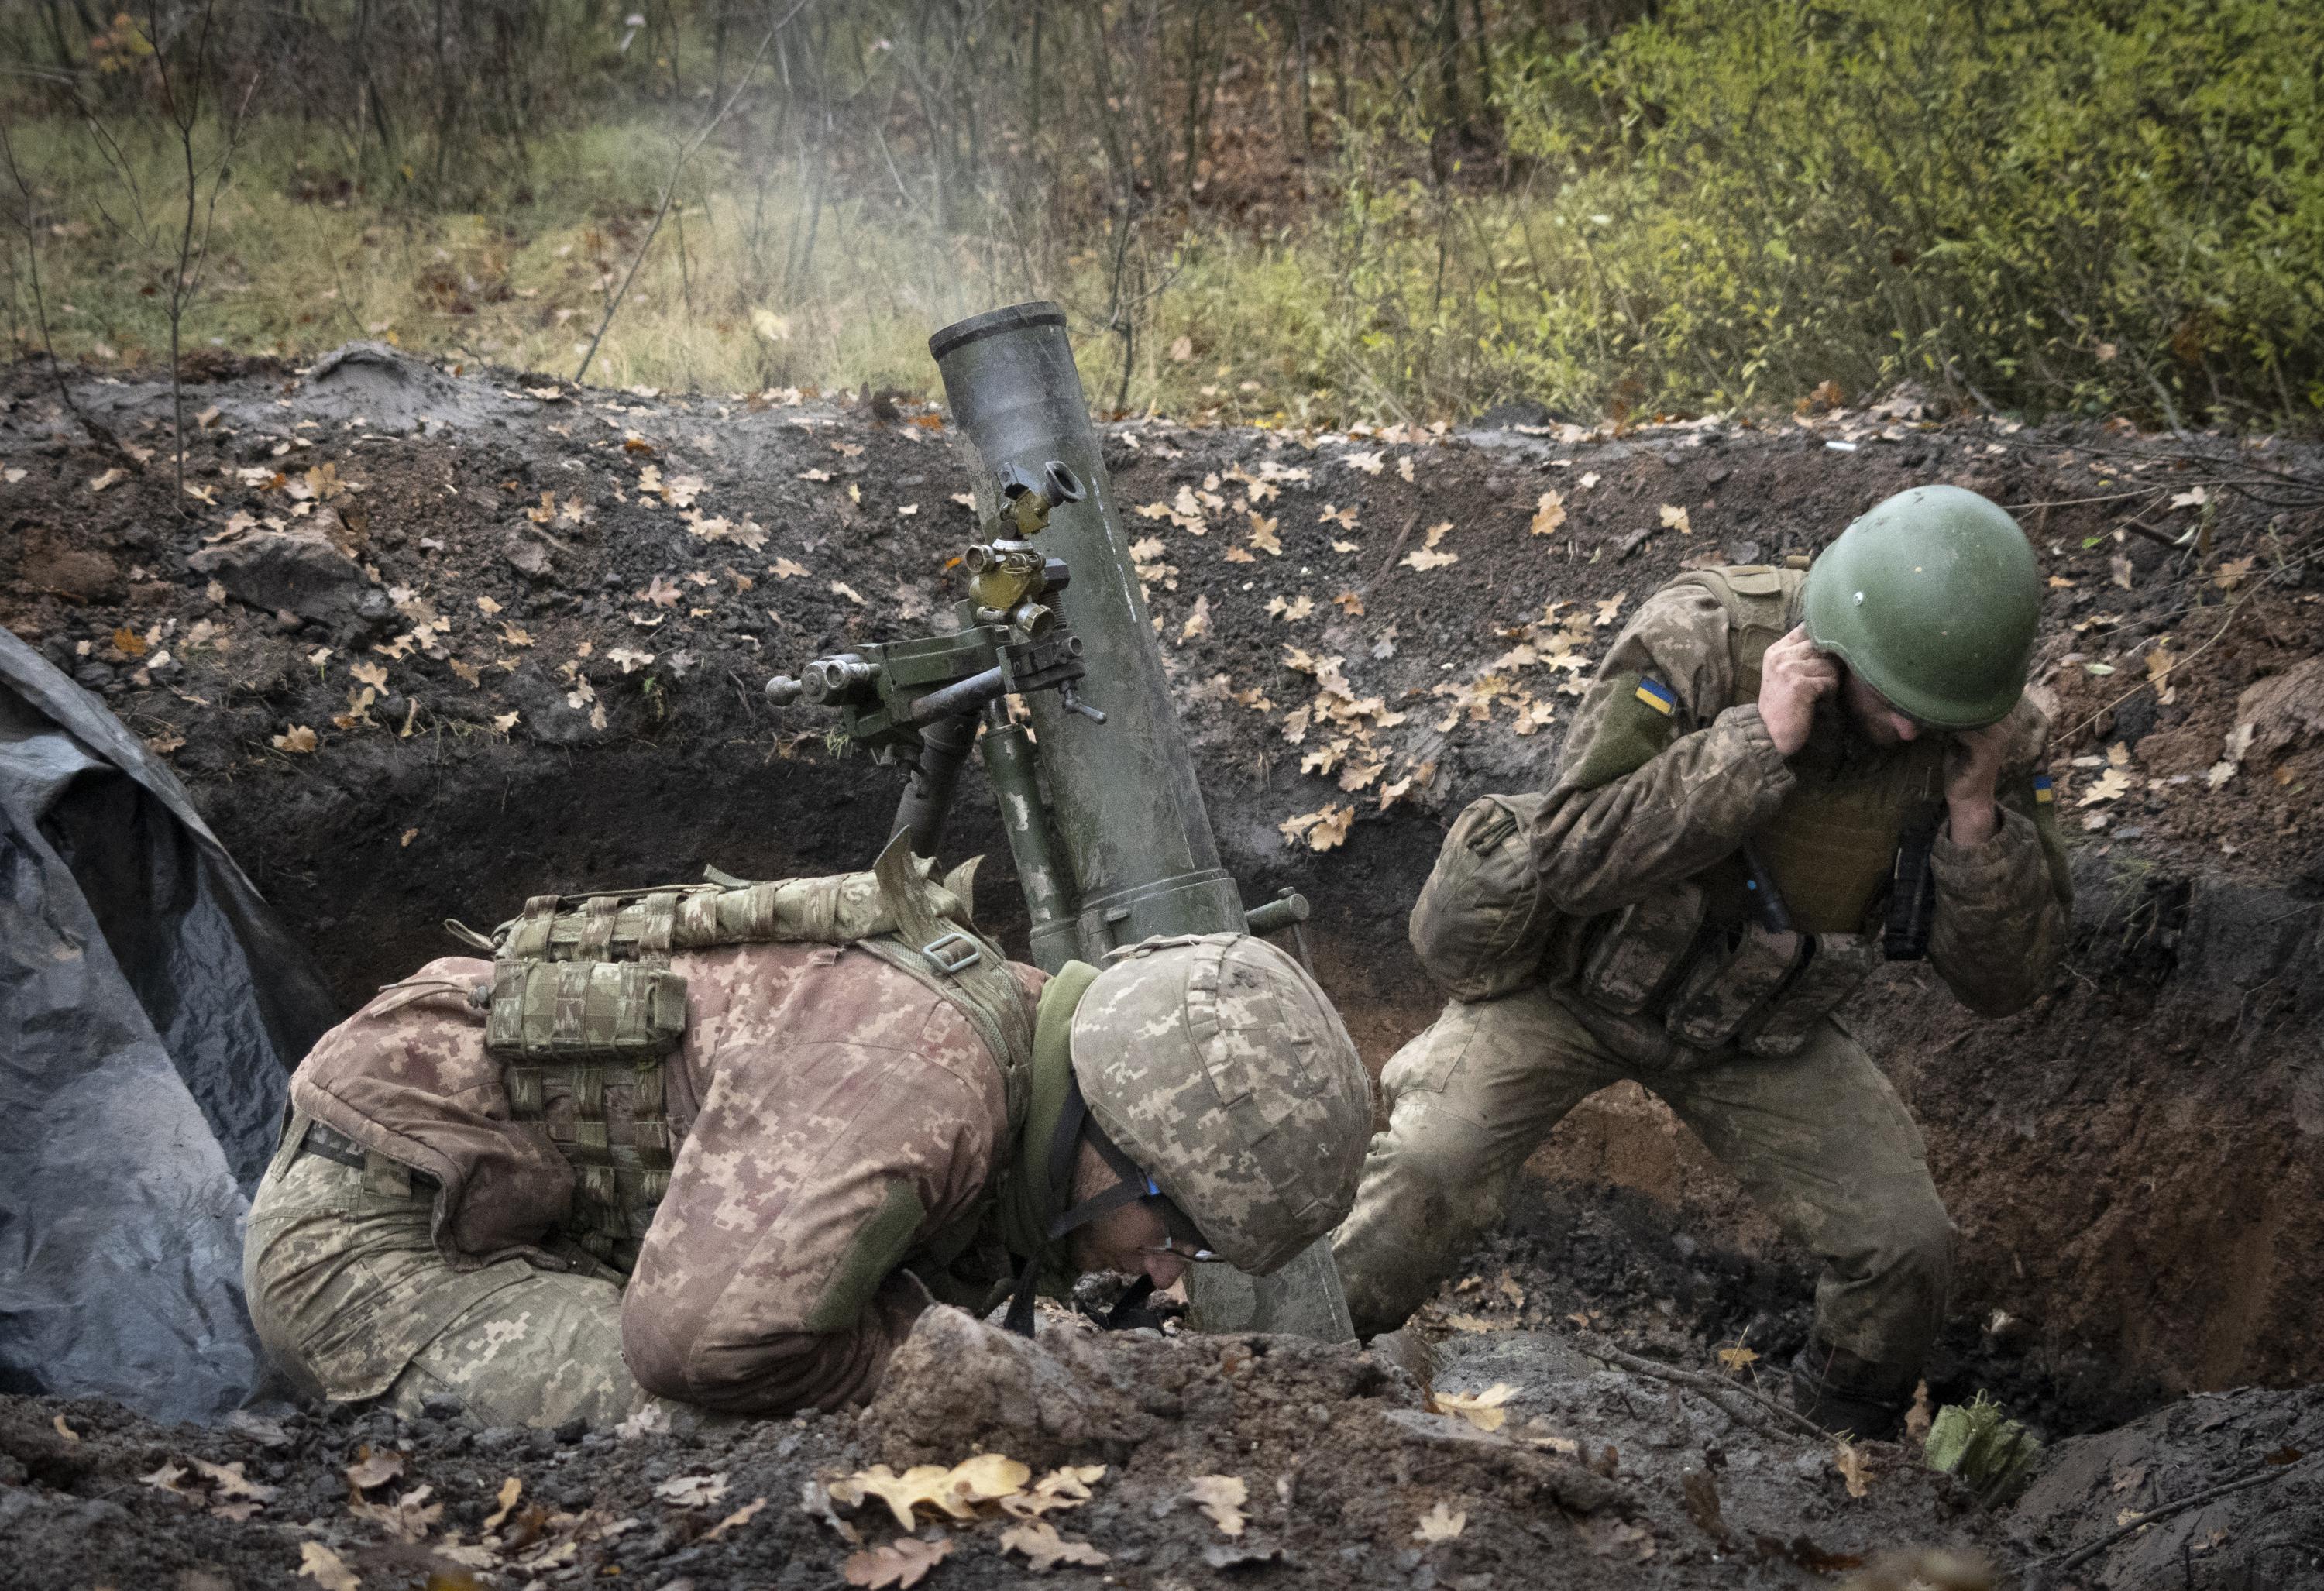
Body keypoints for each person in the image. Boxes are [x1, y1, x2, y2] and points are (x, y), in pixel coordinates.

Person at [1333, 485, 2071, 1436]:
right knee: (1429, 1166)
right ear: (1842, 642)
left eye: (1939, 716)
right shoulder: (1702, 638)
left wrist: (1977, 822)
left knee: (1905, 1246)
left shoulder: (1985, 727)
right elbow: (1572, 853)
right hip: (1572, 986)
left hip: (1759, 1029)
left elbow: (2011, 984)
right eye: (1897, 703)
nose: (1910, 734)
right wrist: (1752, 744)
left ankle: (1837, 1452)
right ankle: (1296, 1361)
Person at [245, 839, 1371, 1428]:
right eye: (1176, 1224)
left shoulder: (1017, 1040)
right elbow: (699, 1347)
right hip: (383, 1229)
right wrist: (929, 1368)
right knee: (733, 1426)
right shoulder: (926, 1076)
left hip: (549, 1219)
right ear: (1108, 1122)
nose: (1168, 1272)